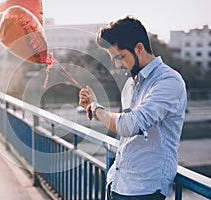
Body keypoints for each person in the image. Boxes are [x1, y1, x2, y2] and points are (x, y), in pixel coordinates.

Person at [79, 16, 187, 200]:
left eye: (121, 57)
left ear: (139, 48)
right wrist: (94, 106)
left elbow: (130, 125)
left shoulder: (168, 81)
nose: (117, 64)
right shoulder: (130, 84)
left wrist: (97, 109)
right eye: (114, 58)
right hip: (118, 183)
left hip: (145, 191)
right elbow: (124, 128)